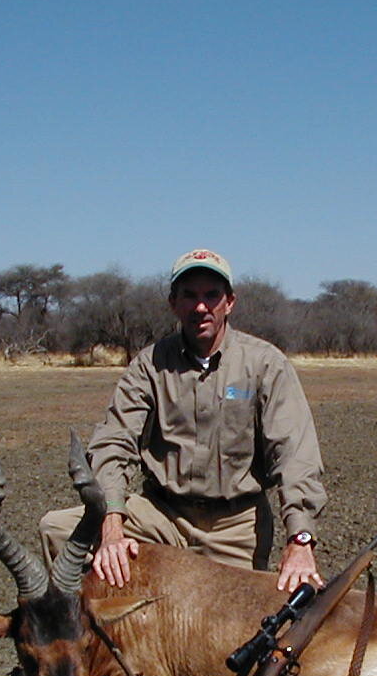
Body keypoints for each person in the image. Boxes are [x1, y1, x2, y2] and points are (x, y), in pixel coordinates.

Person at [40, 248, 326, 592]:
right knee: (56, 529)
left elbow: (295, 454)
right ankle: (89, 640)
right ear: (173, 302)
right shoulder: (150, 364)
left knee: (245, 632)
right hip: (162, 514)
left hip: (235, 525)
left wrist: (300, 539)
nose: (200, 307)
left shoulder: (266, 364)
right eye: (189, 295)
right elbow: (113, 443)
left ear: (229, 302)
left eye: (211, 295)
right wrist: (111, 525)